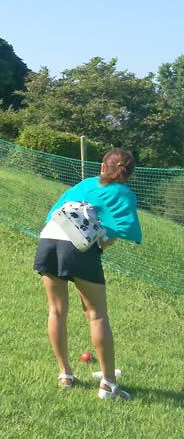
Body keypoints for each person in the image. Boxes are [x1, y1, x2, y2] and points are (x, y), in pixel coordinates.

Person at [33, 148, 142, 400]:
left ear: (102, 167)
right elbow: (125, 228)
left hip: (49, 238)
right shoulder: (125, 193)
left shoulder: (85, 183)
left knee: (56, 310)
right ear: (129, 175)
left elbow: (56, 212)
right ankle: (108, 385)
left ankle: (65, 375)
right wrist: (106, 238)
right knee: (96, 316)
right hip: (78, 248)